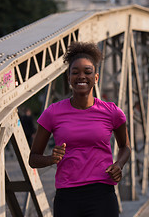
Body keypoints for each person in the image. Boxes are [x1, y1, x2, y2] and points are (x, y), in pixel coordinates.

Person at [29, 41, 131, 217]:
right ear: (69, 78)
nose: (81, 76)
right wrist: (51, 159)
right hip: (67, 197)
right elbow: (33, 159)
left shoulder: (112, 112)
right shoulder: (52, 113)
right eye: (75, 72)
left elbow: (125, 147)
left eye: (87, 72)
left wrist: (119, 164)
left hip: (102, 194)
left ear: (96, 77)